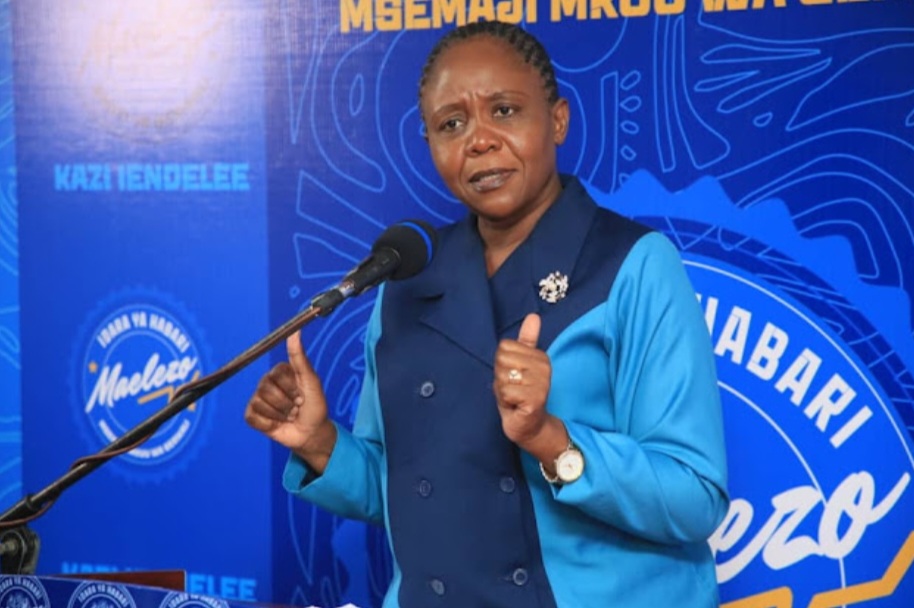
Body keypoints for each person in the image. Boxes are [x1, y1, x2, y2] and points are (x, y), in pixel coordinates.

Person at [245, 20, 729, 608]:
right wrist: (321, 444)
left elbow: (694, 498)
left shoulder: (632, 265)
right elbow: (409, 494)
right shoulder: (407, 280)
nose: (479, 141)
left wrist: (549, 439)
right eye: (452, 124)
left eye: (504, 110)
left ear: (557, 120)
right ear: (429, 144)